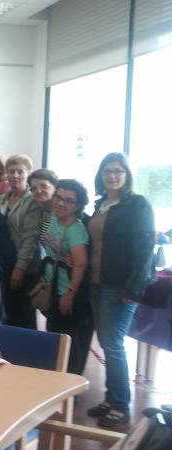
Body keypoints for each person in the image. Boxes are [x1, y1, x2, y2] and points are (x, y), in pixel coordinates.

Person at [86, 153, 155, 428]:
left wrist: (134, 288)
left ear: (127, 175)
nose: (113, 176)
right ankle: (110, 397)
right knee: (106, 342)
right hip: (96, 282)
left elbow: (145, 250)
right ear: (101, 175)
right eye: (108, 171)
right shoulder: (101, 205)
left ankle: (120, 405)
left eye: (118, 171)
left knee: (112, 344)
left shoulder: (137, 205)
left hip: (119, 286)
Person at [42, 180, 90, 376]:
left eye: (69, 201)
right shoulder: (54, 218)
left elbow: (80, 264)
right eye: (59, 197)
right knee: (54, 333)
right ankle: (56, 378)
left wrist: (69, 295)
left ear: (77, 206)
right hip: (53, 286)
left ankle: (70, 383)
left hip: (67, 290)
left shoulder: (75, 230)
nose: (61, 203)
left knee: (68, 339)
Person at [0, 154, 43, 330]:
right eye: (11, 171)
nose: (15, 175)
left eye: (20, 172)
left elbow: (30, 238)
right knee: (8, 313)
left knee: (24, 317)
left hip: (26, 268)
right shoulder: (0, 200)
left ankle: (27, 348)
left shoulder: (33, 201)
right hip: (5, 264)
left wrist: (19, 268)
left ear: (28, 174)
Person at [28, 169, 59, 246]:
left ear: (55, 187)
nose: (38, 191)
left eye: (44, 186)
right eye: (34, 188)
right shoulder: (39, 211)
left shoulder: (63, 214)